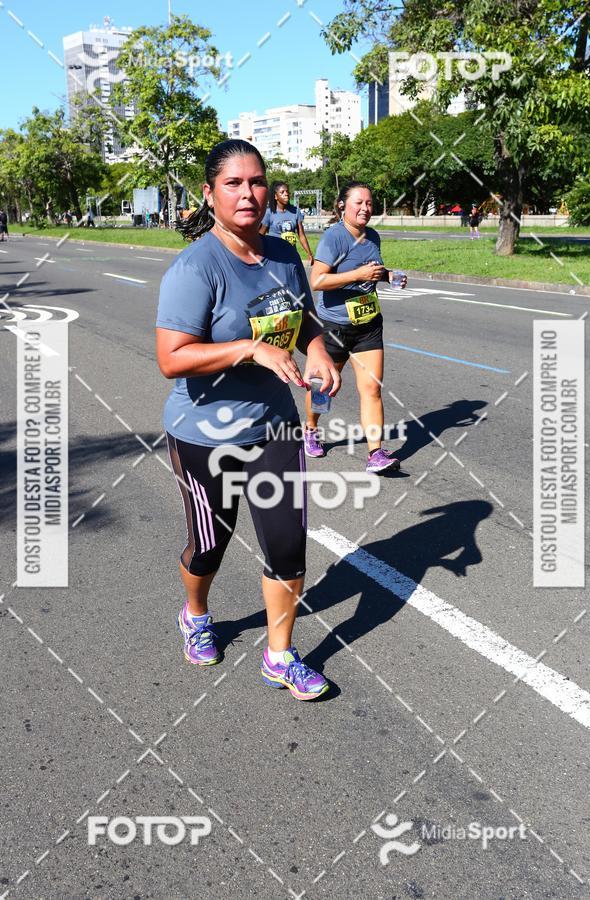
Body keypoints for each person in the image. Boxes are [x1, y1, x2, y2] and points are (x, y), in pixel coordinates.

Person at [156, 139, 340, 700]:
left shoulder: (284, 255)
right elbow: (172, 358)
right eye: (233, 184)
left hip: (275, 425)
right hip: (203, 431)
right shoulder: (195, 268)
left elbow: (303, 319)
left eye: (256, 181)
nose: (247, 193)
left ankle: (280, 655)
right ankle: (196, 612)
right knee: (210, 545)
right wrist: (247, 349)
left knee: (287, 544)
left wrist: (318, 348)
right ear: (210, 194)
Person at [304, 181, 407, 473]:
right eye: (358, 203)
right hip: (335, 325)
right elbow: (318, 281)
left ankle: (375, 454)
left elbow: (370, 273)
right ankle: (310, 429)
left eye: (369, 204)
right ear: (342, 206)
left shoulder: (373, 236)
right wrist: (357, 273)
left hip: (368, 326)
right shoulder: (334, 238)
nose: (365, 208)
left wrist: (388, 276)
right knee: (326, 387)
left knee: (371, 388)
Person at [260, 181, 314, 266]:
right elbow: (261, 236)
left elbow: (301, 235)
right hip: (275, 258)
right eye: (282, 192)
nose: (286, 194)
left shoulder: (295, 211)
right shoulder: (269, 213)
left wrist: (309, 253)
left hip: (291, 255)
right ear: (275, 196)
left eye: (287, 191)